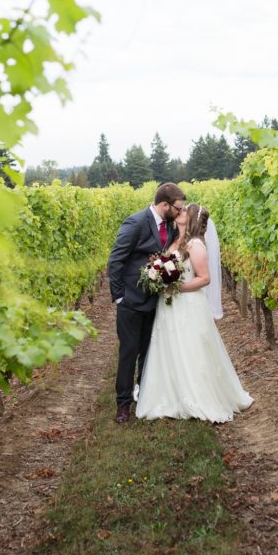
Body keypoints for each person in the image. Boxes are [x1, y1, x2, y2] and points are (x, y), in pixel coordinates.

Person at [135, 203, 253, 423]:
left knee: (189, 347)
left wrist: (176, 287)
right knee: (169, 345)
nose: (178, 212)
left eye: (183, 211)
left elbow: (204, 278)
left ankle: (195, 395)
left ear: (190, 219)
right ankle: (169, 393)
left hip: (187, 304)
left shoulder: (196, 244)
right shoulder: (174, 241)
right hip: (169, 304)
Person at [107, 182, 186, 424]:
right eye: (177, 208)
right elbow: (116, 259)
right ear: (165, 205)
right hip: (130, 301)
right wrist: (120, 296)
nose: (179, 212)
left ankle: (144, 395)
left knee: (149, 352)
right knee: (128, 352)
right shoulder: (136, 222)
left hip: (155, 301)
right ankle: (123, 404)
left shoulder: (171, 227)